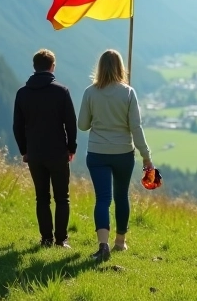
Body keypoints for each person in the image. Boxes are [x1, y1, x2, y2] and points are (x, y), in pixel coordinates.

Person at [78, 49, 153, 261]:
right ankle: (120, 242)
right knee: (121, 196)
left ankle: (103, 246)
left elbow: (82, 125)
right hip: (123, 153)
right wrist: (146, 156)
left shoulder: (89, 92)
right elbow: (136, 127)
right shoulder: (128, 93)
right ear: (121, 67)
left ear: (100, 67)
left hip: (97, 153)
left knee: (102, 199)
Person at [12, 49, 77, 248]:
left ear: (34, 67)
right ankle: (61, 240)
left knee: (42, 197)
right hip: (58, 152)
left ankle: (46, 239)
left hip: (35, 153)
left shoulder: (22, 93)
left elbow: (17, 126)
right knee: (62, 198)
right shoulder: (61, 91)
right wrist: (71, 147)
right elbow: (70, 123)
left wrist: (24, 150)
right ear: (52, 66)